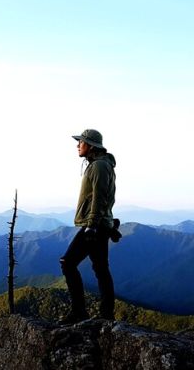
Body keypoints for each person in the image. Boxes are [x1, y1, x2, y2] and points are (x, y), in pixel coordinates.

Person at [59, 128, 117, 324]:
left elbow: (99, 197)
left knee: (68, 263)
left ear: (90, 146)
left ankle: (79, 312)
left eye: (81, 142)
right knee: (101, 269)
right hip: (101, 224)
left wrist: (91, 225)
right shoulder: (101, 165)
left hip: (95, 225)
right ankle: (106, 314)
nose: (78, 145)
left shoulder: (99, 166)